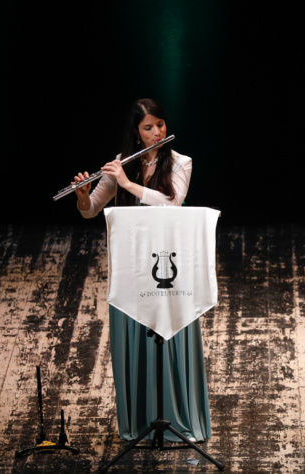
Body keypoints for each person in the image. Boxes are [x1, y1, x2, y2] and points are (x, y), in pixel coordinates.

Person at [72, 98, 210, 443]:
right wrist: (83, 195)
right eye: (147, 128)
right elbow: (90, 211)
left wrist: (127, 184)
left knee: (168, 337)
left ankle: (179, 419)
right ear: (136, 133)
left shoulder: (180, 162)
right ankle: (139, 421)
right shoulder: (122, 165)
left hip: (169, 267)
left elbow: (171, 203)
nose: (156, 132)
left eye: (159, 125)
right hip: (132, 266)